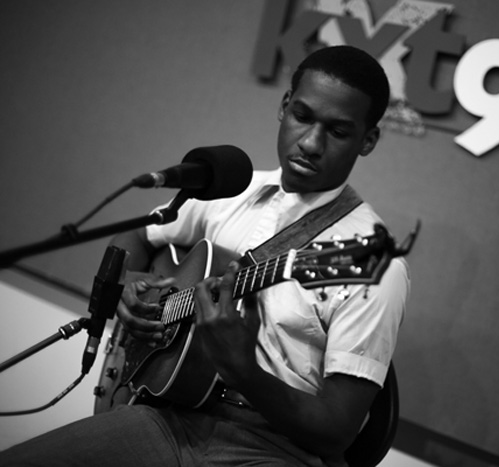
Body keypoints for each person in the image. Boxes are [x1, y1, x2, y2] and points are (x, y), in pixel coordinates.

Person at [0, 45, 410, 466]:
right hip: (163, 414)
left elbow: (335, 432)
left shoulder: (374, 263)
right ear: (284, 107)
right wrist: (129, 285)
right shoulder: (230, 190)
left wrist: (241, 367)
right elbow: (137, 232)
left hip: (271, 447)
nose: (310, 142)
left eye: (338, 132)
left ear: (368, 140)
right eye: (302, 116)